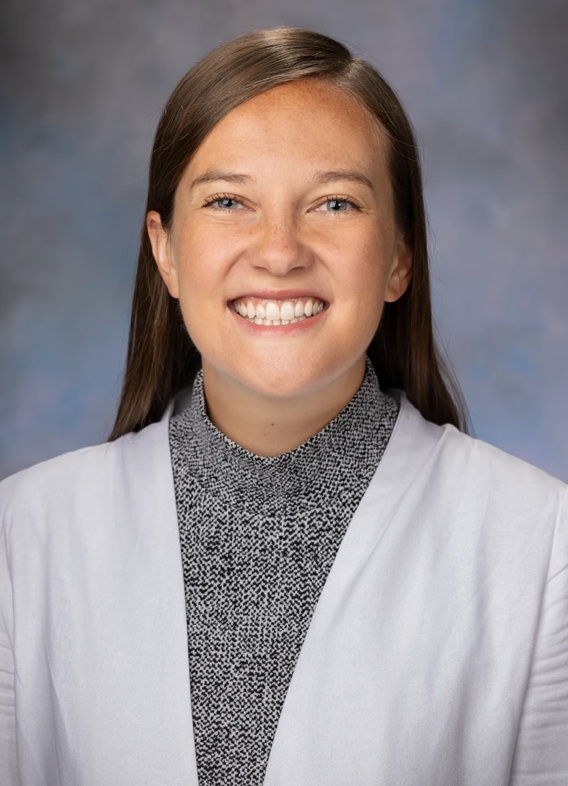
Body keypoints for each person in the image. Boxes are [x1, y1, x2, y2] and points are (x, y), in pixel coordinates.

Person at [0, 27, 566, 786]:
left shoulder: (543, 551)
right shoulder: (22, 540)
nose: (279, 251)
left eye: (334, 203)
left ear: (399, 256)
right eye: (229, 201)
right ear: (166, 252)